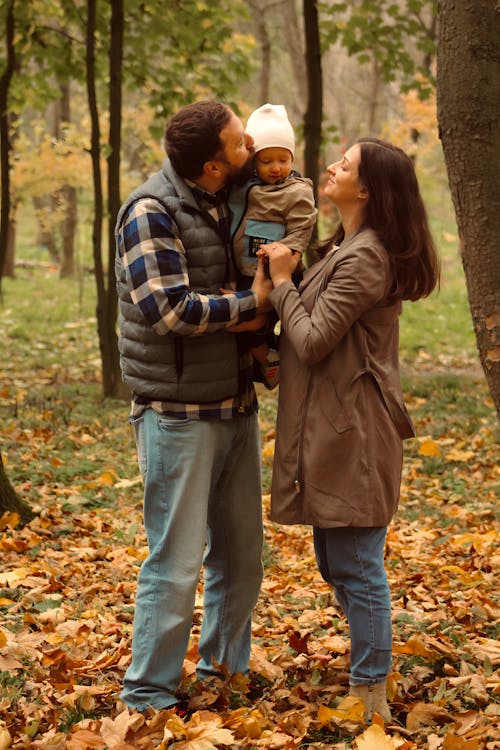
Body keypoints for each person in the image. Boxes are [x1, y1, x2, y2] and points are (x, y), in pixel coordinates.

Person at [253, 137, 439, 723]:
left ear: (366, 190)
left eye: (346, 164)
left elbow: (312, 340)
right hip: (332, 427)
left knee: (358, 566)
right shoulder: (346, 245)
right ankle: (370, 664)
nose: (330, 166)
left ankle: (371, 693)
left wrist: (282, 282)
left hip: (355, 432)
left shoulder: (367, 256)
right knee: (338, 563)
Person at [114, 100, 269, 712]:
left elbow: (287, 186)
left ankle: (223, 674)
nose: (250, 148)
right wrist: (247, 305)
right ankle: (147, 695)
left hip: (235, 407)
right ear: (211, 165)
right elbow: (168, 309)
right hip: (176, 417)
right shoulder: (149, 212)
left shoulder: (225, 200)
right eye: (238, 143)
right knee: (175, 564)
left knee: (241, 555)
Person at [229, 103, 317, 387]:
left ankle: (270, 359)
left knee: (253, 321)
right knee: (245, 325)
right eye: (267, 161)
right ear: (253, 162)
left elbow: (302, 228)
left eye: (283, 159)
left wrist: (286, 254)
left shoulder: (297, 191)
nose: (276, 168)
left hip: (276, 270)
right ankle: (269, 358)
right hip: (243, 267)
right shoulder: (245, 187)